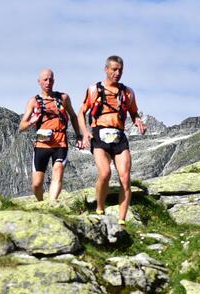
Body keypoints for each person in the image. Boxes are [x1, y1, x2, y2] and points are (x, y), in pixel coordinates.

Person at [78, 55, 146, 225]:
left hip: (119, 135)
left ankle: (122, 220)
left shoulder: (128, 92)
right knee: (105, 173)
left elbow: (133, 112)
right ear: (106, 69)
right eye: (114, 69)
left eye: (120, 70)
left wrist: (137, 120)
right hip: (99, 134)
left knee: (125, 177)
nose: (117, 73)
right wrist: (85, 133)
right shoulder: (94, 90)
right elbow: (81, 112)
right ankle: (100, 208)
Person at [18, 68, 83, 201]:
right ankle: (41, 203)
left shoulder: (63, 98)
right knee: (36, 184)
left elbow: (73, 116)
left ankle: (52, 204)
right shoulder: (33, 101)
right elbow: (21, 127)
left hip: (60, 143)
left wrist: (78, 135)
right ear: (39, 82)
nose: (48, 82)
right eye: (45, 80)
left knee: (58, 171)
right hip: (42, 143)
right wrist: (32, 121)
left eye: (51, 79)